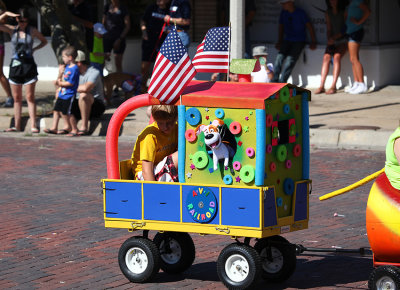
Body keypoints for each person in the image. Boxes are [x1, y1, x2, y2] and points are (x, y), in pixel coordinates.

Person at [0, 8, 47, 133]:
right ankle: (17, 125)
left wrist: (35, 49)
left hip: (28, 64)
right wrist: (5, 14)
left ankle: (33, 125)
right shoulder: (12, 29)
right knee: (17, 98)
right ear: (17, 19)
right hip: (15, 65)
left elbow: (44, 41)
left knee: (30, 96)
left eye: (25, 21)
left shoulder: (32, 31)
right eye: (21, 21)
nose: (23, 23)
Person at [272, 0, 316, 83]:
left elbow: (309, 26)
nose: (282, 5)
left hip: (299, 40)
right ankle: (274, 80)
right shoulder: (283, 13)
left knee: (290, 61)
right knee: (279, 58)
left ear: (290, 3)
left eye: (284, 3)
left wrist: (313, 41)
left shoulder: (301, 13)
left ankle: (282, 82)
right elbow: (281, 27)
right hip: (287, 39)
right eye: (282, 3)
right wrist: (279, 41)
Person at [131, 105, 179, 182]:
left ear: (176, 117)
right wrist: (153, 191)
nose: (165, 127)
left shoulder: (177, 129)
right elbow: (146, 171)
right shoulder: (150, 135)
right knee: (180, 155)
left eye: (169, 122)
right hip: (144, 177)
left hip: (159, 168)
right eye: (160, 123)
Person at [69, 50, 105, 136]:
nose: (69, 65)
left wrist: (69, 87)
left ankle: (84, 127)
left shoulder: (94, 72)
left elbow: (86, 88)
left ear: (79, 63)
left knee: (83, 95)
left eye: (71, 63)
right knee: (62, 96)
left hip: (96, 106)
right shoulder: (71, 72)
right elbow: (61, 86)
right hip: (78, 104)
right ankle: (67, 127)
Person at [44, 46, 79, 135]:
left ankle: (74, 129)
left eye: (64, 56)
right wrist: (60, 73)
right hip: (62, 94)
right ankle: (54, 127)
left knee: (69, 113)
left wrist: (60, 83)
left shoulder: (74, 69)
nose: (62, 58)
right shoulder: (66, 67)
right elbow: (61, 79)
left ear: (70, 57)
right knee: (56, 110)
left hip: (69, 95)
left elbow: (70, 83)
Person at [315, 0, 348, 95]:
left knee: (337, 57)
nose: (332, 1)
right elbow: (329, 28)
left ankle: (333, 86)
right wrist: (329, 38)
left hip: (343, 40)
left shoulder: (344, 12)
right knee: (326, 57)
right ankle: (321, 86)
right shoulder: (328, 12)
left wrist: (334, 37)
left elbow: (345, 29)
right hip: (333, 40)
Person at [141, 0, 169, 89]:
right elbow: (143, 21)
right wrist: (144, 32)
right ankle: (142, 88)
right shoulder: (151, 7)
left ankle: (158, 89)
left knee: (160, 68)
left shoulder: (169, 10)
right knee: (144, 66)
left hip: (162, 42)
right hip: (149, 41)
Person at [344, 0, 371, 94]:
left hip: (356, 32)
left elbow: (368, 11)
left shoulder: (357, 1)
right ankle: (357, 83)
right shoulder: (351, 3)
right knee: (352, 59)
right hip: (351, 31)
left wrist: (359, 22)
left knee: (354, 59)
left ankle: (362, 84)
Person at [102, 0, 130, 73]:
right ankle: (101, 82)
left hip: (119, 38)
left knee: (118, 62)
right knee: (102, 61)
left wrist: (119, 39)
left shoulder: (123, 8)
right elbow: (103, 23)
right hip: (107, 38)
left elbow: (127, 26)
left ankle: (119, 83)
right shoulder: (107, 7)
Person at [0, 1, 13, 108]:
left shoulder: (1, 10)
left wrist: (3, 14)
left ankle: (9, 97)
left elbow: (3, 21)